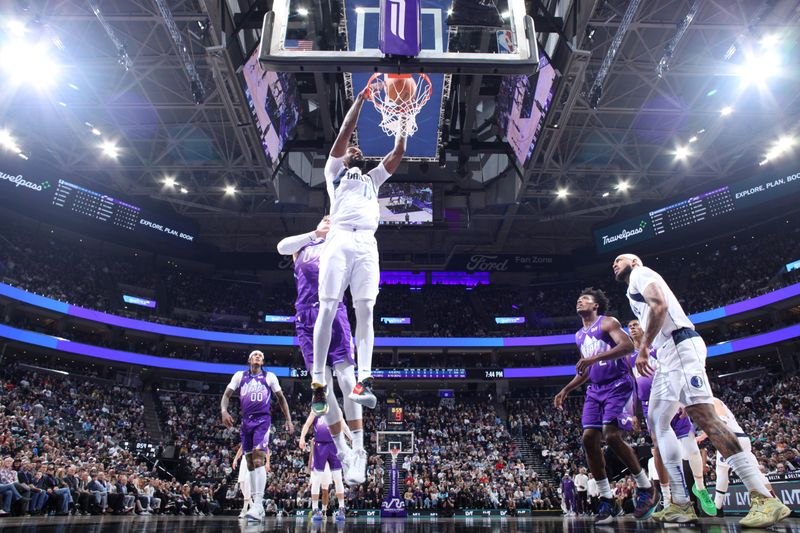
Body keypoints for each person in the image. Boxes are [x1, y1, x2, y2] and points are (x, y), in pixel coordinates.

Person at [613, 253, 790, 527]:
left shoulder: (640, 273)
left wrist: (644, 347)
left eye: (620, 259)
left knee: (705, 416)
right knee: (657, 422)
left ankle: (764, 497)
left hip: (679, 346)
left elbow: (659, 305)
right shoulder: (631, 288)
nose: (615, 263)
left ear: (634, 262)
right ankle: (681, 502)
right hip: (667, 356)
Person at [310, 83, 406, 415]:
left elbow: (395, 158)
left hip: (367, 242)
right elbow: (345, 131)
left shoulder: (371, 180)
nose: (355, 150)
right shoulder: (334, 172)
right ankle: (318, 382)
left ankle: (364, 379)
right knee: (328, 306)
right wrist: (361, 101)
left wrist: (402, 126)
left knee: (365, 309)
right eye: (351, 149)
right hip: (339, 237)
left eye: (356, 150)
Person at [554, 288, 659, 524]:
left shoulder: (607, 322)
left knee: (611, 436)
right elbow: (587, 370)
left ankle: (645, 487)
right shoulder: (579, 335)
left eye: (586, 299)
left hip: (618, 384)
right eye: (579, 298)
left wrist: (593, 359)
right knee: (588, 439)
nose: (580, 300)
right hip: (595, 389)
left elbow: (628, 347)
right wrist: (566, 389)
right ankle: (607, 499)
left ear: (596, 306)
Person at [277, 217, 367, 485]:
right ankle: (344, 453)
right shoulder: (303, 246)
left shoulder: (343, 245)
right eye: (325, 218)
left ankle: (359, 450)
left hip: (334, 311)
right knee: (323, 389)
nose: (329, 220)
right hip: (306, 318)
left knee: (348, 380)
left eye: (333, 219)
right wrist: (314, 232)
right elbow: (281, 246)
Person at [627, 318, 716, 516]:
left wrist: (683, 400)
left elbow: (677, 371)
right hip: (649, 404)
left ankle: (700, 488)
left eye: (635, 324)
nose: (632, 327)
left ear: (645, 326)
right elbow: (632, 386)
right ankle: (668, 499)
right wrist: (632, 413)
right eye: (629, 326)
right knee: (659, 452)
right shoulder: (629, 357)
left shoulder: (659, 349)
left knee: (691, 446)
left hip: (672, 399)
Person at [221, 350, 294, 522]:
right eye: (255, 354)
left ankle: (259, 503)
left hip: (263, 421)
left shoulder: (270, 377)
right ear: (249, 360)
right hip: (246, 422)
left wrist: (289, 420)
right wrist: (224, 411)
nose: (258, 356)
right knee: (250, 464)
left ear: (263, 361)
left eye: (261, 355)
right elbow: (226, 395)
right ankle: (256, 505)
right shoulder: (240, 376)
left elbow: (281, 399)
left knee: (259, 459)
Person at [696, 398, 776, 516]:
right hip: (737, 437)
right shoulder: (708, 403)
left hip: (731, 439)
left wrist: (702, 436)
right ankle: (775, 502)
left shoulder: (713, 401)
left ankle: (718, 507)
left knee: (727, 472)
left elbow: (722, 421)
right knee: (746, 470)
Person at [299, 413, 349, 522]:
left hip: (334, 445)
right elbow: (307, 424)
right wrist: (302, 437)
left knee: (337, 477)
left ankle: (341, 508)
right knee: (317, 479)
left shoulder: (336, 409)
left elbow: (344, 426)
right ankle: (315, 509)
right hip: (320, 445)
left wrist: (353, 439)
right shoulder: (316, 409)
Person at [231, 445, 251, 519]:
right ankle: (252, 506)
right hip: (244, 460)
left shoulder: (257, 436)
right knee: (242, 484)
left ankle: (244, 509)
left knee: (247, 483)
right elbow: (241, 448)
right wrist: (235, 459)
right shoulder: (246, 436)